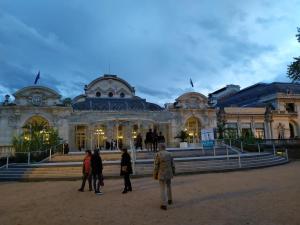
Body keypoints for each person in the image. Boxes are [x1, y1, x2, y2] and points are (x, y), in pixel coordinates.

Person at [153, 143, 175, 210]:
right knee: (169, 186)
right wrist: (173, 172)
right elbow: (173, 164)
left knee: (162, 189)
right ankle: (170, 200)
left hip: (161, 172)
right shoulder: (170, 154)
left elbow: (156, 166)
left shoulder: (158, 154)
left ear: (160, 147)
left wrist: (155, 174)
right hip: (169, 172)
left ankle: (163, 204)